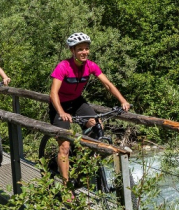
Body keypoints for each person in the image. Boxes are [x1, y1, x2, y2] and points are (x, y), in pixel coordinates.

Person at [49, 32, 131, 187]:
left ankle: (79, 155)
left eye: (86, 48)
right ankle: (67, 187)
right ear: (72, 51)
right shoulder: (63, 66)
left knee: (97, 125)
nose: (84, 52)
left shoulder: (91, 66)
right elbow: (53, 93)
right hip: (59, 104)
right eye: (80, 49)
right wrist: (61, 112)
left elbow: (107, 84)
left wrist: (123, 101)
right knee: (64, 146)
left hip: (77, 102)